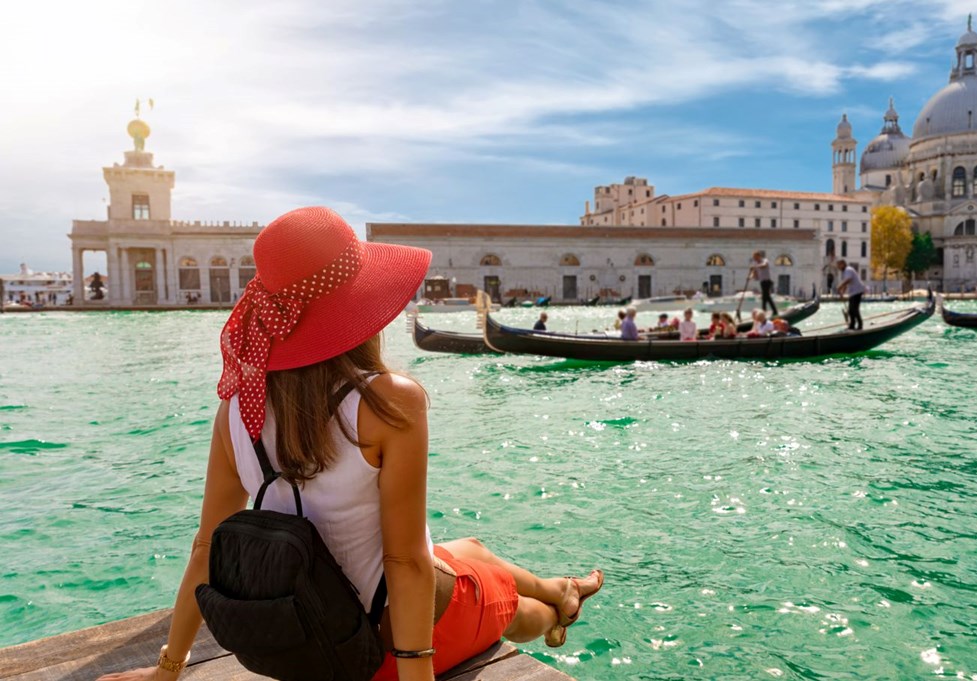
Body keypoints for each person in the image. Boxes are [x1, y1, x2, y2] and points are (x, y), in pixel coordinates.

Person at [96, 208, 602, 681]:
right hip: (374, 653)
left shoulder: (235, 410)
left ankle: (561, 586)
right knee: (511, 603)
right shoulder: (388, 402)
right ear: (357, 308)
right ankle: (555, 609)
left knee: (470, 549)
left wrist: (167, 669)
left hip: (306, 637)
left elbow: (205, 548)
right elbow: (404, 565)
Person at [835, 259, 865, 330]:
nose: (838, 267)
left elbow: (849, 280)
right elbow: (846, 283)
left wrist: (840, 286)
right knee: (850, 310)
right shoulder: (845, 272)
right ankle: (852, 325)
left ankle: (860, 325)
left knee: (854, 309)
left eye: (838, 265)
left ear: (842, 264)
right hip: (853, 292)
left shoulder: (848, 270)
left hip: (857, 291)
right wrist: (842, 292)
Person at [749, 251, 778, 316]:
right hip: (762, 282)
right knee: (766, 297)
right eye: (754, 258)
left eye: (755, 257)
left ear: (759, 256)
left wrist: (755, 267)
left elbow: (764, 266)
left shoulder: (765, 260)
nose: (754, 259)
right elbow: (754, 274)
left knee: (766, 296)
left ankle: (765, 311)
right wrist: (749, 277)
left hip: (768, 281)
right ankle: (768, 311)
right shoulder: (756, 264)